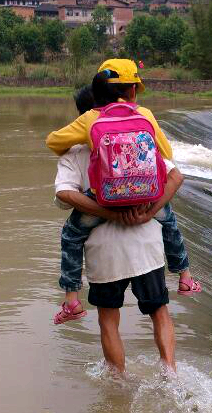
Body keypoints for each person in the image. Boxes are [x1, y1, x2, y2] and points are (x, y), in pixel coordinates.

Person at [46, 59, 201, 325]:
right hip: (145, 198)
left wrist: (86, 138)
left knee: (71, 236)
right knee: (170, 223)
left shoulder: (90, 119)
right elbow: (167, 156)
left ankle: (71, 299)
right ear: (131, 91)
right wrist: (151, 206)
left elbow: (53, 142)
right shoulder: (146, 115)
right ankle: (185, 276)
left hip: (106, 200)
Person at [54, 134, 183, 372]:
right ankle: (170, 371)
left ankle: (117, 382)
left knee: (109, 321)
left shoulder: (73, 151)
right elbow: (174, 177)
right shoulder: (137, 138)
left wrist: (108, 213)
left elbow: (63, 197)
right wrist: (148, 211)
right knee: (159, 312)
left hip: (104, 255)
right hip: (146, 246)